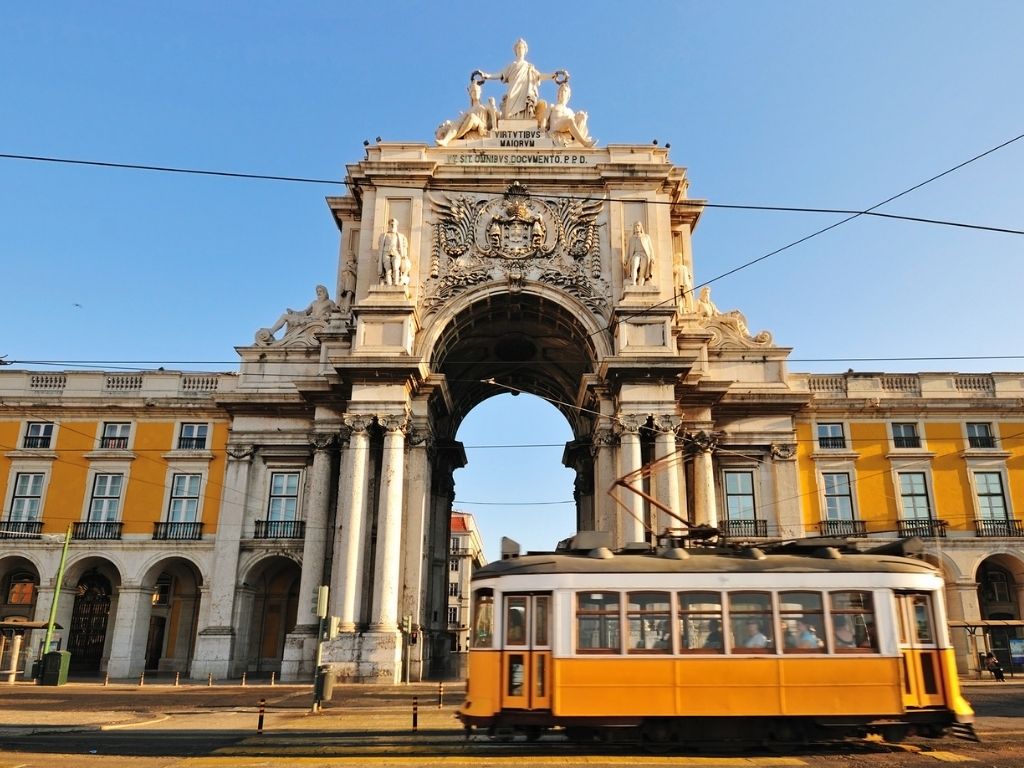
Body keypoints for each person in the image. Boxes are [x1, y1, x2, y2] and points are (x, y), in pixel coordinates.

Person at [476, 39, 557, 120]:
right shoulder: (511, 66)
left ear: (525, 50)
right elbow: (500, 74)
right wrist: (487, 76)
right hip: (513, 90)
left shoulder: (529, 66)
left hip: (525, 92)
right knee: (510, 99)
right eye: (518, 48)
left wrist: (551, 76)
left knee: (525, 106)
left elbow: (539, 76)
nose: (520, 50)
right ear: (515, 51)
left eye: (522, 48)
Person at [435, 81, 498, 146]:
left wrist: (493, 105)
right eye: (473, 92)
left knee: (472, 116)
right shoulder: (469, 111)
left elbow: (496, 115)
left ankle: (457, 136)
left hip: (482, 126)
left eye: (477, 91)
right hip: (471, 123)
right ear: (470, 94)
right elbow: (458, 123)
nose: (475, 93)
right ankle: (446, 140)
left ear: (480, 93)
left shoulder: (485, 106)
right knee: (458, 123)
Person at [266, 284, 336, 337]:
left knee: (286, 317)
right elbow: (305, 312)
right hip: (309, 319)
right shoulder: (314, 302)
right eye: (317, 291)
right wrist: (293, 312)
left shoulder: (329, 302)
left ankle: (273, 331)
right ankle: (272, 331)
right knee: (284, 316)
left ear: (325, 292)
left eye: (320, 291)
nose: (318, 293)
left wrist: (327, 316)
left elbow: (335, 312)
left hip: (316, 321)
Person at [545, 82, 596, 147]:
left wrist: (581, 117)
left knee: (579, 117)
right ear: (558, 94)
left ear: (568, 95)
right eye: (561, 91)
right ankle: (584, 143)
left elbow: (574, 125)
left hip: (566, 132)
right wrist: (542, 128)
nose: (563, 93)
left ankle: (579, 141)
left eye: (565, 91)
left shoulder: (570, 111)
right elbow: (544, 120)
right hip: (554, 131)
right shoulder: (552, 106)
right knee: (570, 121)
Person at [378, 218, 409, 286]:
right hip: (386, 253)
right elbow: (380, 247)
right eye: (391, 224)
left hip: (396, 253)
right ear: (389, 225)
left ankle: (396, 282)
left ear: (396, 226)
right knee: (387, 269)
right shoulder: (383, 235)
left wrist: (404, 255)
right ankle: (389, 283)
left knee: (396, 267)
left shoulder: (401, 236)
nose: (392, 226)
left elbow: (404, 246)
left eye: (393, 225)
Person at [626, 221, 654, 286]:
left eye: (638, 225)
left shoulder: (646, 237)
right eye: (635, 226)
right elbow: (628, 250)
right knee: (634, 266)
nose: (637, 227)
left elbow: (650, 248)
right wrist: (625, 259)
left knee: (642, 271)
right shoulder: (631, 238)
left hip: (644, 255)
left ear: (641, 227)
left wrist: (652, 257)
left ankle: (640, 285)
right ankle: (633, 282)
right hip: (636, 254)